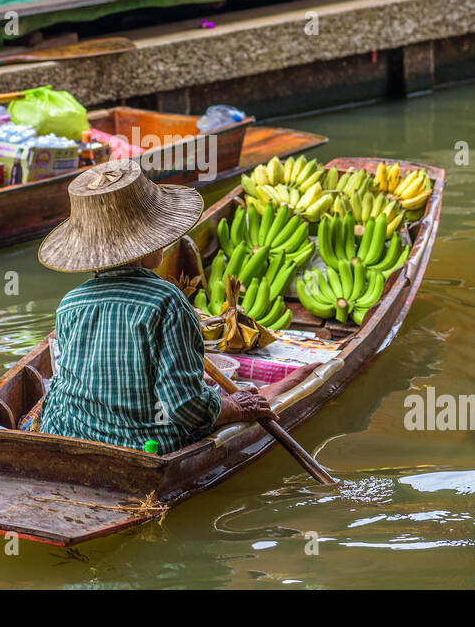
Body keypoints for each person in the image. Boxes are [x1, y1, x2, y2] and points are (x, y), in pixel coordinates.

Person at [35, 159, 318, 454]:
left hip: (65, 434)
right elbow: (185, 407)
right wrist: (235, 406)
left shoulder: (70, 304)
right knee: (220, 404)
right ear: (152, 240)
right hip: (142, 447)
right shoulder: (166, 301)